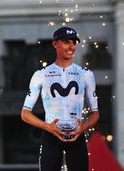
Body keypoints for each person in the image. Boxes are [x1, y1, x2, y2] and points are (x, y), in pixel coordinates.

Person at [21, 26, 99, 171]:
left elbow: (95, 113)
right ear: (55, 43)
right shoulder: (41, 75)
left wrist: (84, 127)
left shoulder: (86, 75)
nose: (71, 47)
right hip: (51, 137)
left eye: (74, 43)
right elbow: (25, 114)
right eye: (66, 42)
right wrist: (48, 127)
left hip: (77, 136)